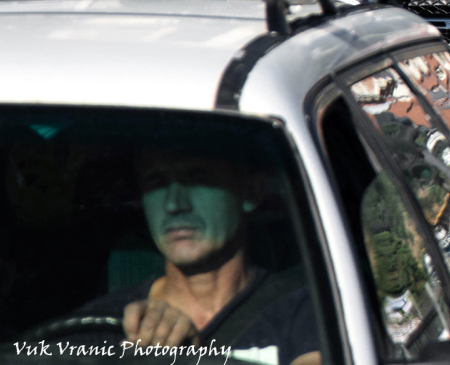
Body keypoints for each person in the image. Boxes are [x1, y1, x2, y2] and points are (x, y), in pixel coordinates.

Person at [74, 152, 320, 365]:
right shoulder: (100, 326)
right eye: (156, 182)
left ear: (250, 192)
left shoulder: (307, 311)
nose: (174, 204)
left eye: (197, 178)